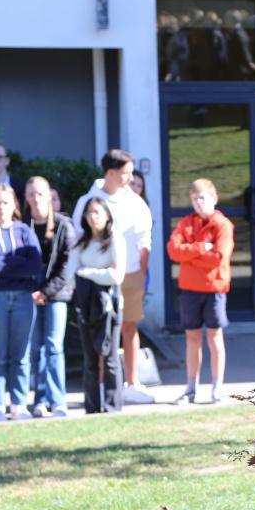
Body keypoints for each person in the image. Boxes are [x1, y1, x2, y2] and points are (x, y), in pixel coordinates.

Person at [71, 149, 155, 405]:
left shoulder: (135, 202)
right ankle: (102, 387)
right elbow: (78, 238)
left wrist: (141, 272)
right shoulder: (89, 200)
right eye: (126, 173)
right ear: (110, 173)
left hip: (129, 274)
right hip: (96, 278)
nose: (131, 178)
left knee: (129, 328)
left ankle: (131, 383)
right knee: (100, 333)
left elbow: (144, 239)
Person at [166, 178, 233, 404]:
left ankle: (217, 388)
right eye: (194, 199)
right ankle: (191, 388)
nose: (198, 203)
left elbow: (218, 257)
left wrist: (190, 257)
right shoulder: (186, 223)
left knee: (215, 337)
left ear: (213, 198)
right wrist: (199, 248)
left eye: (202, 198)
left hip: (214, 289)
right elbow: (174, 251)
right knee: (192, 338)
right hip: (190, 290)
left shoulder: (223, 225)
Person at [0, 184, 42, 422]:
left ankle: (18, 403)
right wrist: (15, 263)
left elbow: (34, 264)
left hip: (22, 297)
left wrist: (4, 264)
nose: (1, 207)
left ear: (14, 205)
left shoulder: (24, 231)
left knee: (21, 354)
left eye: (5, 202)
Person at [25, 176, 75, 418]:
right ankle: (40, 399)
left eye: (40, 194)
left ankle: (58, 401)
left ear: (49, 196)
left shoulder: (64, 225)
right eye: (31, 194)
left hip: (56, 296)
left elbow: (67, 265)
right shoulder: (23, 225)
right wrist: (33, 292)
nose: (36, 199)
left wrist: (46, 291)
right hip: (30, 296)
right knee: (35, 349)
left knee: (54, 346)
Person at [70, 197, 126, 413]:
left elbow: (116, 275)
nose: (93, 217)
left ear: (107, 216)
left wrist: (88, 273)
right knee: (90, 359)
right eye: (89, 213)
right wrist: (98, 274)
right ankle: (92, 407)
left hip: (109, 307)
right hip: (85, 305)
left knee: (110, 358)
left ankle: (113, 406)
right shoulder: (81, 242)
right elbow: (73, 272)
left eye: (97, 213)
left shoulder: (115, 241)